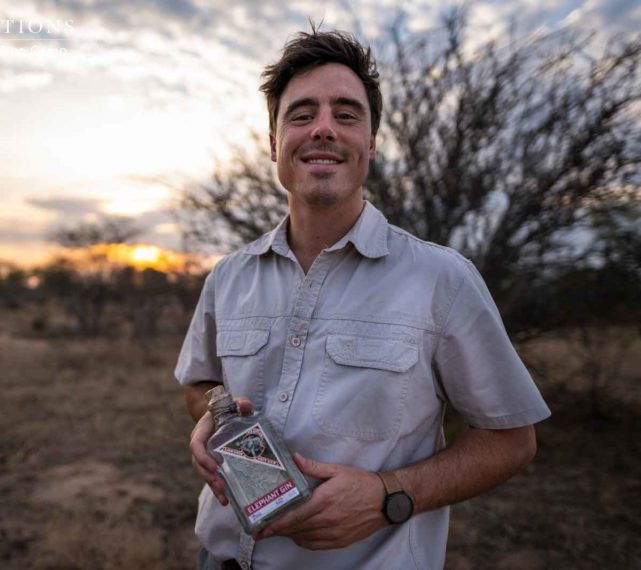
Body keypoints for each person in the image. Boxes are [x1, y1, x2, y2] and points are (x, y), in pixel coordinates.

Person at [175, 26, 551, 570]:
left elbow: (513, 440)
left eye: (346, 114)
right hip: (222, 558)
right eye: (301, 114)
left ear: (370, 143)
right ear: (275, 144)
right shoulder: (229, 276)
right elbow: (200, 383)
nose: (323, 128)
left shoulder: (442, 279)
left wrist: (389, 494)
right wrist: (208, 419)